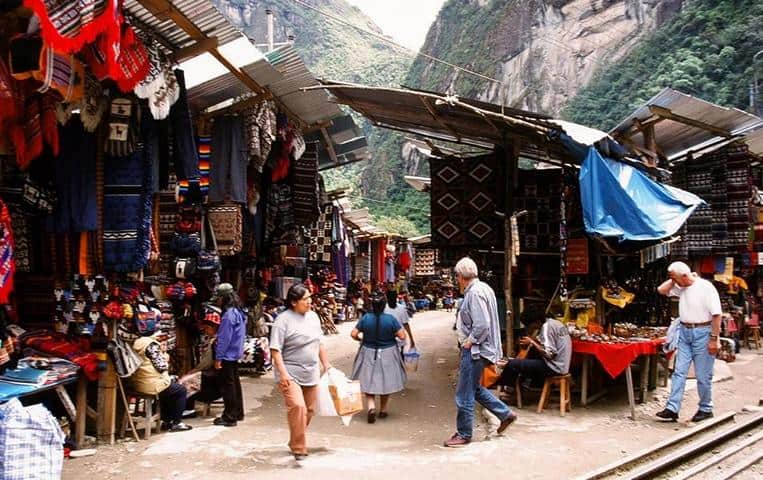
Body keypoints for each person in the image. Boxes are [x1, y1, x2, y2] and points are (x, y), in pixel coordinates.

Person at [444, 257, 516, 448]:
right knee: (473, 389)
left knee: (464, 393)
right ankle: (504, 413)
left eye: (457, 277)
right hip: (482, 349)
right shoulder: (484, 288)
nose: (457, 280)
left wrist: (470, 341)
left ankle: (464, 433)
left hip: (476, 350)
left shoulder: (474, 293)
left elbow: (482, 324)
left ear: (460, 276)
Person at [270, 283, 332, 460]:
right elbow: (275, 350)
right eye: (306, 299)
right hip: (290, 372)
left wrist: (326, 364)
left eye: (310, 298)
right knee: (298, 406)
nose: (310, 302)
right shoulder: (282, 320)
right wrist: (283, 374)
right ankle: (299, 447)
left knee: (310, 410)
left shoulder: (313, 317)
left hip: (311, 371)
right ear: (293, 302)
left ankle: (295, 439)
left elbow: (319, 343)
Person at [655, 261, 722, 423]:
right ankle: (672, 408)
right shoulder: (681, 286)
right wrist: (673, 278)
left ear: (685, 276)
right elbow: (661, 290)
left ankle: (706, 408)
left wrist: (714, 339)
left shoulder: (705, 288)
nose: (674, 282)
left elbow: (716, 315)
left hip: (703, 332)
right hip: (685, 332)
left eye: (676, 278)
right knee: (679, 371)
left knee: (702, 375)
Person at [352, 291, 408, 423]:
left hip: (367, 351)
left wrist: (360, 339)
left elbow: (353, 333)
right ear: (384, 306)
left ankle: (371, 406)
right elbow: (402, 336)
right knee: (386, 381)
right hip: (388, 352)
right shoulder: (390, 319)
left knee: (368, 380)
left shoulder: (366, 318)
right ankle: (383, 410)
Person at [131, 321, 192, 432]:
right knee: (181, 390)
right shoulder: (151, 345)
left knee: (170, 389)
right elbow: (161, 366)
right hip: (151, 384)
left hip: (139, 382)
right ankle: (177, 422)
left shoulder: (136, 342)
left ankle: (167, 421)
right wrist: (165, 357)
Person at [494, 308, 572, 389]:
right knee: (525, 360)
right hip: (563, 366)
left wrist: (532, 342)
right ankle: (523, 384)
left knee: (512, 364)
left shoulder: (546, 327)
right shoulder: (556, 323)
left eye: (529, 325)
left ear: (537, 322)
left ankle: (508, 387)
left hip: (554, 368)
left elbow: (550, 354)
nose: (531, 328)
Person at [212, 283, 246, 427]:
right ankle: (237, 412)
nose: (218, 301)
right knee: (234, 384)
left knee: (228, 386)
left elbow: (224, 339)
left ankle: (229, 416)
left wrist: (218, 357)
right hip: (235, 353)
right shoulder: (239, 311)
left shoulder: (228, 316)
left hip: (227, 354)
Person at [184, 306, 223, 415]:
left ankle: (188, 409)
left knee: (186, 381)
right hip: (216, 377)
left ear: (214, 327)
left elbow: (206, 363)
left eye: (207, 328)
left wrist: (194, 371)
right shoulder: (217, 339)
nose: (205, 331)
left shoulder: (215, 341)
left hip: (213, 380)